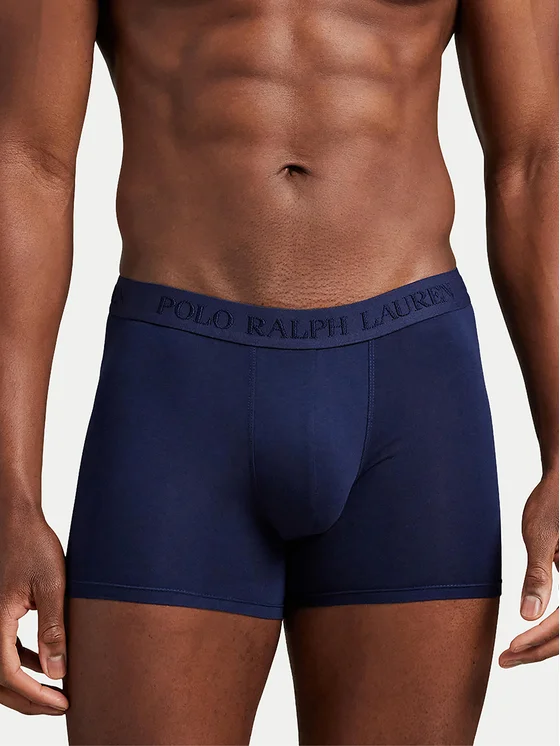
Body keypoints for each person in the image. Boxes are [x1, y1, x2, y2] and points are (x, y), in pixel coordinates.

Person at [0, 1, 557, 744]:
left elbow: (536, 156)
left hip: (411, 391)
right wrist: (7, 494)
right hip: (179, 392)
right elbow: (26, 161)